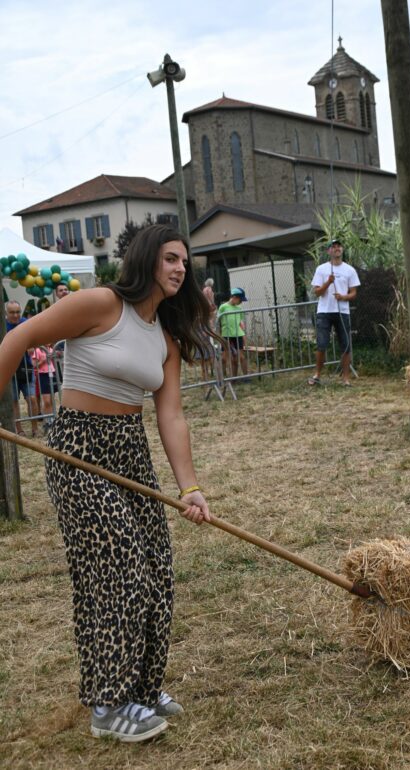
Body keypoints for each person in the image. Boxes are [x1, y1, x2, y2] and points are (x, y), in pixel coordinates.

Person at [0, 225, 212, 743]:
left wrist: (189, 488)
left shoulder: (164, 338)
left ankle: (142, 689)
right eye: (169, 258)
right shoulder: (100, 304)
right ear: (146, 260)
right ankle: (108, 704)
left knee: (156, 567)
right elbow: (19, 337)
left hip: (129, 451)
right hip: (78, 449)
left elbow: (172, 416)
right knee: (118, 568)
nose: (179, 268)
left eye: (183, 261)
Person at [308, 238, 360, 386]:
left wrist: (343, 297)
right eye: (333, 246)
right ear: (329, 251)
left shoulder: (349, 270)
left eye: (339, 246)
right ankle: (317, 375)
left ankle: (346, 379)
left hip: (343, 312)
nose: (337, 248)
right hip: (324, 312)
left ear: (342, 250)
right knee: (321, 344)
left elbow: (354, 293)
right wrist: (328, 283)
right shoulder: (321, 269)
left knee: (345, 345)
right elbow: (317, 292)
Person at [4, 300, 39, 437]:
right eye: (12, 312)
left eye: (18, 312)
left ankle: (35, 427)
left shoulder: (26, 323)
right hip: (9, 370)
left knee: (32, 399)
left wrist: (33, 344)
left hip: (26, 368)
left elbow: (37, 337)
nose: (15, 315)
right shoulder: (3, 325)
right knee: (14, 401)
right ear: (6, 313)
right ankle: (19, 429)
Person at [217, 287, 249, 378]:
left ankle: (243, 377)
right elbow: (218, 321)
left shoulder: (239, 308)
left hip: (237, 335)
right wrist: (218, 334)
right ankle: (223, 377)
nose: (241, 302)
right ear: (234, 297)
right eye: (240, 300)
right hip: (226, 335)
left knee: (240, 357)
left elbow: (240, 321)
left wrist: (243, 333)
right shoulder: (223, 307)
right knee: (224, 358)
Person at [31, 344, 58, 435]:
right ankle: (48, 421)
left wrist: (56, 355)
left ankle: (52, 421)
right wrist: (43, 360)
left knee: (51, 400)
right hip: (43, 375)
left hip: (52, 373)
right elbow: (34, 365)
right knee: (46, 401)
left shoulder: (51, 349)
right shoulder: (38, 350)